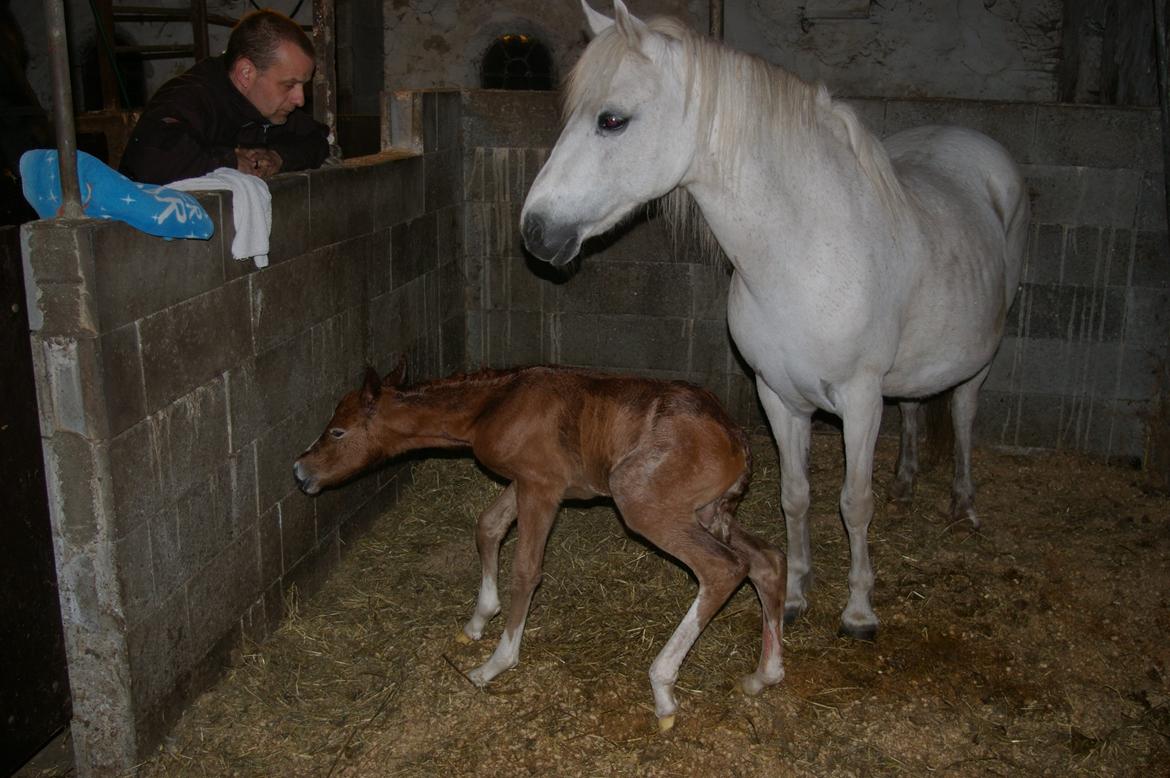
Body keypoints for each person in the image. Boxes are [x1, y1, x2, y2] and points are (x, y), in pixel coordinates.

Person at [119, 9, 329, 185]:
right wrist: (230, 161)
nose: (300, 99)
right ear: (246, 73)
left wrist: (278, 157)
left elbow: (317, 140)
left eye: (303, 86)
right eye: (289, 85)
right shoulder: (189, 99)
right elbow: (151, 162)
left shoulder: (273, 107)